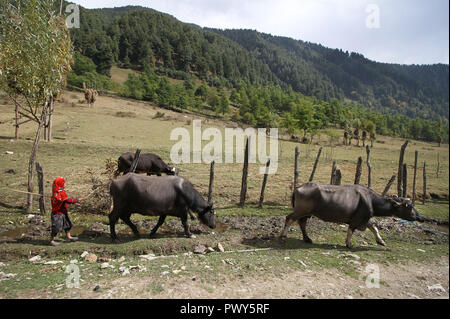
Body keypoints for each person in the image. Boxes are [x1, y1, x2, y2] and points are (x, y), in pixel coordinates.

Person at [50, 177, 83, 246]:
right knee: (57, 227)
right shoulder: (58, 193)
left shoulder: (59, 191)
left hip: (63, 212)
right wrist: (77, 200)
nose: (64, 184)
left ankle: (69, 236)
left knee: (68, 224)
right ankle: (51, 240)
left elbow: (64, 199)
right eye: (63, 183)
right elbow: (67, 200)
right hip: (57, 214)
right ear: (60, 184)